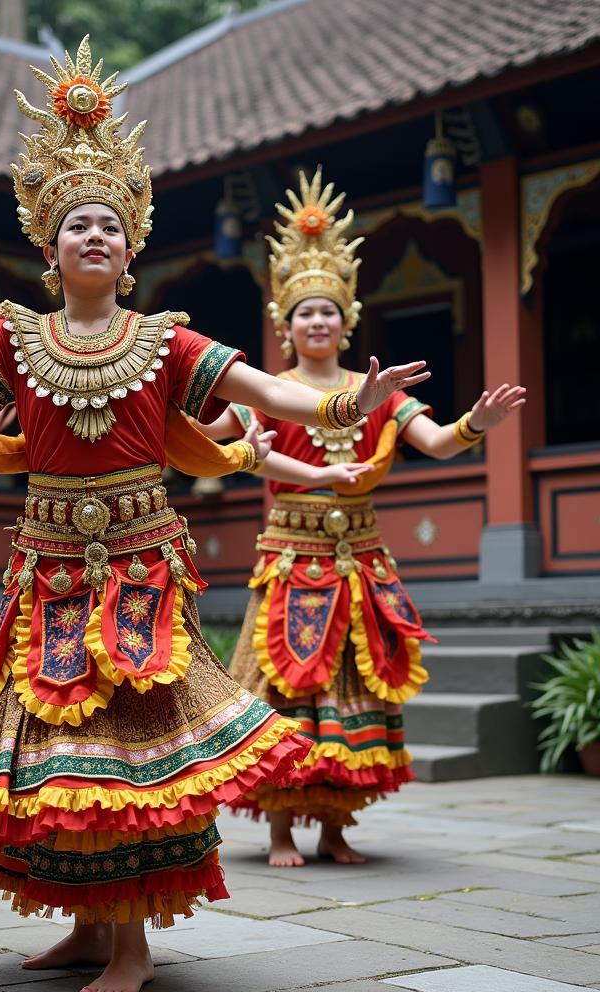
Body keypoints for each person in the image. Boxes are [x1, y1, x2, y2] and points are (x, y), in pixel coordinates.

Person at [0, 39, 429, 992]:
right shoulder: (17, 339)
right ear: (51, 246)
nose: (97, 237)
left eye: (111, 223)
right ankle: (81, 923)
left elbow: (264, 389)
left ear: (133, 242)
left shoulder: (165, 342)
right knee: (60, 757)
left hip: (143, 572)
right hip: (50, 565)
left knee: (139, 756)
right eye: (80, 226)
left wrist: (345, 407)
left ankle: (134, 942)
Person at [202, 171, 525, 867]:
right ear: (283, 325)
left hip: (358, 561)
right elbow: (220, 451)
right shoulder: (269, 390)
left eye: (327, 312)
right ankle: (282, 828)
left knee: (351, 684)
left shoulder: (372, 390)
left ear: (346, 322)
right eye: (303, 313)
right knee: (289, 682)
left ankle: (336, 826)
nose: (316, 322)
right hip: (292, 556)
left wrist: (479, 422)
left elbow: (435, 443)